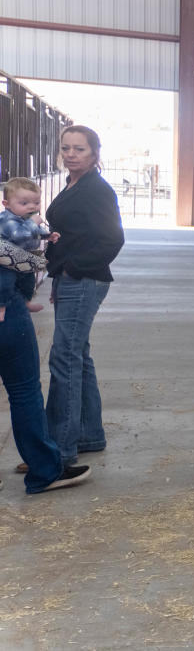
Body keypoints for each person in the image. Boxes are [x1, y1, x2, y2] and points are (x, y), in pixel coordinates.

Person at [42, 125, 124, 472]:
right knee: (78, 356)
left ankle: (60, 451)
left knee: (65, 359)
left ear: (94, 154)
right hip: (69, 278)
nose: (71, 154)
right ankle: (89, 435)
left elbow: (112, 240)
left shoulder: (97, 190)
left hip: (83, 280)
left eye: (79, 149)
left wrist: (74, 267)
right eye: (66, 149)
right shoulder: (73, 184)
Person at [0, 231, 92, 493]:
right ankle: (45, 471)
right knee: (24, 392)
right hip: (9, 316)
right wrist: (40, 258)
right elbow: (19, 258)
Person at [0, 177, 59, 315]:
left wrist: (47, 235)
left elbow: (34, 233)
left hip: (22, 261)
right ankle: (1, 307)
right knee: (5, 282)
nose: (32, 207)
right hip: (6, 262)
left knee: (29, 281)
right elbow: (19, 235)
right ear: (6, 204)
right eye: (24, 203)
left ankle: (27, 302)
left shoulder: (24, 219)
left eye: (36, 202)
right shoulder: (7, 219)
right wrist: (33, 223)